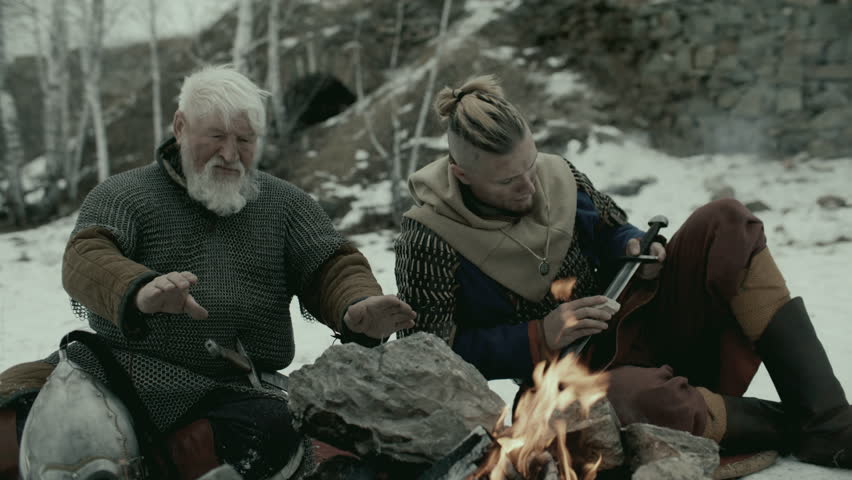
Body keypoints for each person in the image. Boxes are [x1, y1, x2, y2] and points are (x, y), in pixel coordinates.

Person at [394, 75, 851, 476]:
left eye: (530, 166)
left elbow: (613, 231)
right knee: (635, 397)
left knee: (726, 219)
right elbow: (430, 356)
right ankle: (798, 424)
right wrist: (540, 335)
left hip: (637, 328)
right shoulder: (428, 237)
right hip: (566, 389)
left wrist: (635, 246)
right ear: (461, 174)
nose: (530, 187)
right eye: (509, 181)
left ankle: (830, 420)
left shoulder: (560, 177)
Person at [0, 65, 415, 480]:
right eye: (216, 137)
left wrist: (357, 304)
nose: (230, 154)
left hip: (228, 389)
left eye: (244, 140)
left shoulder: (285, 205)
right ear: (180, 127)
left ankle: (148, 467)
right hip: (116, 373)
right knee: (11, 414)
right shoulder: (123, 194)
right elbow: (85, 256)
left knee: (274, 428)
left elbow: (331, 264)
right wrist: (139, 290)